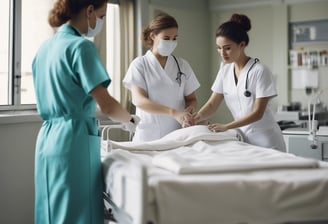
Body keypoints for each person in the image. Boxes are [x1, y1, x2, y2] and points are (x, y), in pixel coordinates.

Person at [32, 0, 138, 223]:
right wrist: (130, 119)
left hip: (47, 139)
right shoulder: (81, 47)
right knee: (79, 212)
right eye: (101, 16)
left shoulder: (44, 49)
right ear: (89, 10)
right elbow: (106, 104)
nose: (100, 22)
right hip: (73, 140)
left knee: (52, 209)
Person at [192, 13, 286, 152]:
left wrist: (226, 126)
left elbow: (257, 113)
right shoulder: (224, 70)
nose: (222, 53)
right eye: (219, 47)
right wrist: (195, 118)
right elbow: (212, 104)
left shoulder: (260, 71)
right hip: (243, 140)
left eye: (227, 48)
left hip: (267, 140)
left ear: (242, 44)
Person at [123, 13, 200, 142]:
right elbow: (139, 100)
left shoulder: (182, 65)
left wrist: (188, 112)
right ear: (153, 36)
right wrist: (174, 113)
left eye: (174, 38)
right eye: (166, 38)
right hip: (148, 136)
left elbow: (191, 99)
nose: (171, 42)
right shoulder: (140, 65)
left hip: (177, 135)